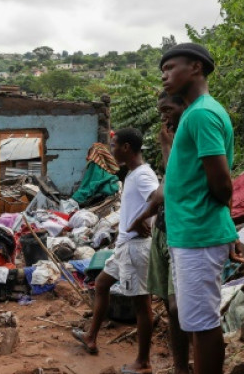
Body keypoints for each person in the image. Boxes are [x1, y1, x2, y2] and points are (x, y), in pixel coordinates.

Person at [160, 43, 238, 374]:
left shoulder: (203, 114)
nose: (164, 76)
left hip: (199, 234)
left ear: (195, 67)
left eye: (170, 67)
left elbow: (221, 183)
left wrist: (218, 225)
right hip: (190, 234)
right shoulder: (193, 113)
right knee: (195, 320)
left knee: (204, 324)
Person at [72, 128, 158, 374]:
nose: (111, 151)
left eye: (114, 146)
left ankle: (143, 362)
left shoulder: (143, 175)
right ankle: (91, 337)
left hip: (136, 248)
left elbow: (160, 198)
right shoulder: (132, 174)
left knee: (142, 304)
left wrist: (143, 220)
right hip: (125, 245)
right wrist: (135, 220)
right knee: (101, 284)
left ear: (127, 148)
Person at [128, 90, 190, 374]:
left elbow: (178, 184)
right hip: (164, 232)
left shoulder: (190, 139)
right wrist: (144, 216)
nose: (163, 117)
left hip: (184, 234)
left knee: (181, 308)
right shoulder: (176, 142)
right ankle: (180, 367)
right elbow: (164, 189)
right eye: (160, 111)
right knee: (170, 306)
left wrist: (167, 148)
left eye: (167, 109)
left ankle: (191, 365)